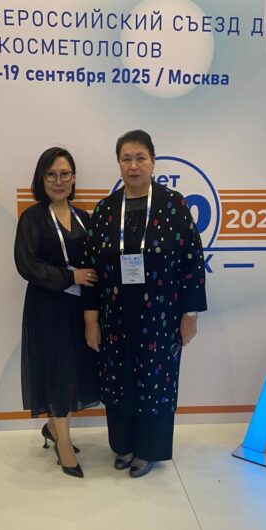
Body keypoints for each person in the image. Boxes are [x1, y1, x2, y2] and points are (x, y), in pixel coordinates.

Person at [83, 130, 207, 478]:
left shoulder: (173, 205)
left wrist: (190, 314)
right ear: (119, 164)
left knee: (156, 381)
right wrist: (91, 321)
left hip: (161, 316)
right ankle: (123, 444)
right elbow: (91, 268)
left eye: (140, 158)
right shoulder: (106, 210)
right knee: (119, 379)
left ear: (153, 162)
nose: (133, 165)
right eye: (126, 159)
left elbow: (192, 262)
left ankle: (149, 450)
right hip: (116, 315)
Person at [15, 147, 100, 478]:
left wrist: (93, 313)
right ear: (41, 179)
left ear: (74, 178)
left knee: (73, 371)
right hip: (47, 308)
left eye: (65, 174)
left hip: (78, 309)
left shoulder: (84, 219)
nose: (58, 180)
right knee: (58, 373)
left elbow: (92, 267)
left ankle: (53, 428)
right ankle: (64, 444)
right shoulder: (32, 218)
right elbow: (26, 264)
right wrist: (68, 277)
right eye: (51, 174)